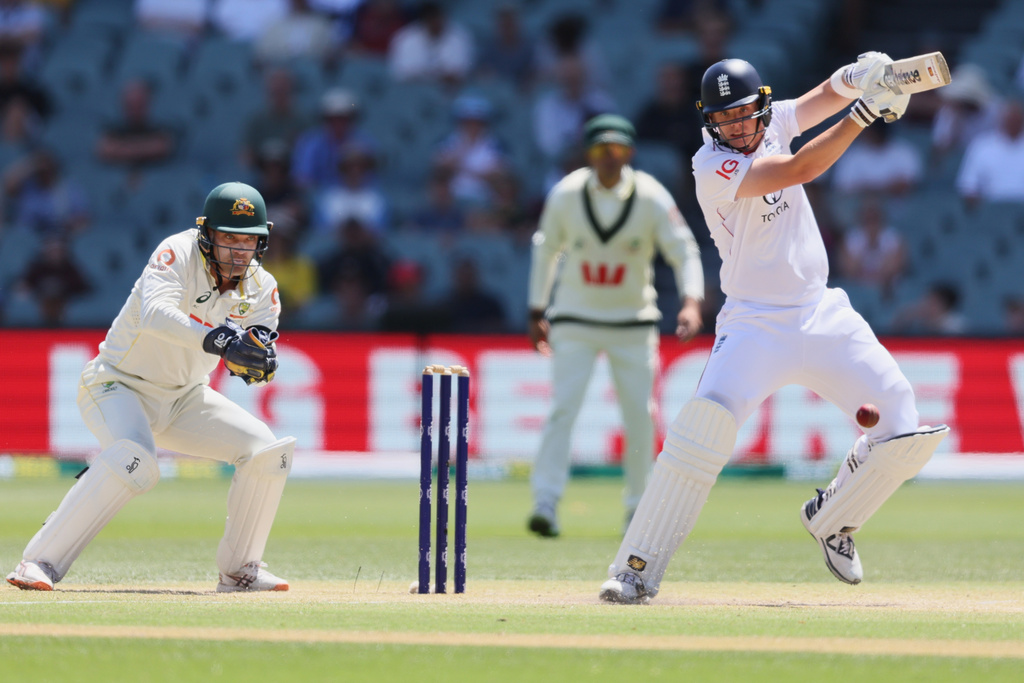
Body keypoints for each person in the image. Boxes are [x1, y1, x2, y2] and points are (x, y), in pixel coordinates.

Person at [598, 55, 950, 604]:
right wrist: (864, 111)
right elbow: (798, 170)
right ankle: (635, 570)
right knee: (702, 430)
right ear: (708, 122)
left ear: (761, 106)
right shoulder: (708, 165)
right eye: (724, 118)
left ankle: (832, 519)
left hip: (822, 312)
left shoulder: (777, 122)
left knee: (902, 424)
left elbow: (825, 94)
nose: (737, 127)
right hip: (754, 322)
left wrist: (865, 76)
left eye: (744, 114)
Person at [6, 182, 294, 593]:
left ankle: (239, 571)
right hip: (116, 382)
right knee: (135, 460)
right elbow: (155, 314)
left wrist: (258, 361)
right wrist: (219, 338)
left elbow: (256, 344)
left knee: (266, 451)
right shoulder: (177, 252)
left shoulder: (262, 288)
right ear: (206, 234)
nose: (237, 250)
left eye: (248, 241)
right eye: (228, 237)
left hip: (184, 397)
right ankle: (39, 562)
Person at [526, 114, 704, 538]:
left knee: (641, 416)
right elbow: (546, 249)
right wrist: (537, 310)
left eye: (618, 151)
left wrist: (692, 302)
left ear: (631, 153)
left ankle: (638, 510)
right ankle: (545, 502)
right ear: (587, 154)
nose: (610, 160)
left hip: (632, 321)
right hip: (574, 317)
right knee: (563, 409)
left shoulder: (650, 196)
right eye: (601, 151)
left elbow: (684, 249)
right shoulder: (566, 194)